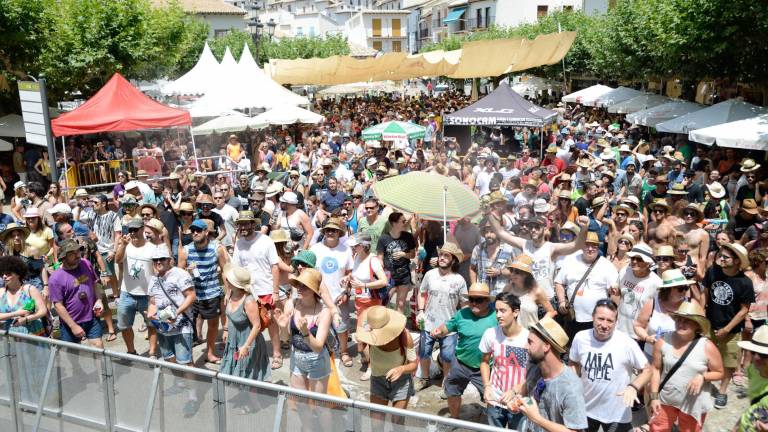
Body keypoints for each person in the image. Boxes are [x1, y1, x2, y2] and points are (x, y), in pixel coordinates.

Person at [569, 300, 651, 432]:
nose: (604, 325)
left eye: (610, 321)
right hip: (586, 409)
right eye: (600, 319)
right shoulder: (580, 338)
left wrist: (633, 387)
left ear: (616, 322)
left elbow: (647, 370)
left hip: (617, 414)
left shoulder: (626, 343)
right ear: (592, 317)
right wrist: (573, 385)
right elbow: (574, 362)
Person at [648, 302, 724, 432]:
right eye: (679, 319)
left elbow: (719, 372)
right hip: (666, 398)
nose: (681, 324)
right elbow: (655, 369)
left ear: (697, 325)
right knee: (657, 429)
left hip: (693, 403)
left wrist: (703, 376)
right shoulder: (663, 341)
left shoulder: (707, 346)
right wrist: (654, 397)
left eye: (687, 321)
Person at [506, 316, 588, 432]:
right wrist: (519, 402)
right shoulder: (533, 366)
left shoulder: (571, 387)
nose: (525, 347)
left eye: (530, 342)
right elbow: (528, 394)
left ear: (546, 346)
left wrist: (537, 419)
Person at [273, 268, 333, 426]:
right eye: (298, 284)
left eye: (304, 286)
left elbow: (319, 347)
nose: (299, 288)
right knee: (300, 402)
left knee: (320, 405)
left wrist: (306, 333)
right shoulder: (291, 304)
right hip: (296, 356)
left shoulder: (324, 312)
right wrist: (283, 327)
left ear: (314, 290)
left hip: (317, 359)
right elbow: (286, 339)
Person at [431, 282, 498, 418]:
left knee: (492, 398)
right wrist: (440, 330)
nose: (473, 303)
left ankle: (494, 424)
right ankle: (455, 421)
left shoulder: (496, 317)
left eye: (478, 300)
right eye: (471, 299)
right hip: (460, 363)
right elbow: (448, 326)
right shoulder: (462, 314)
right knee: (452, 391)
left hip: (485, 367)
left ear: (487, 301)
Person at [146, 245, 198, 415]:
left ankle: (193, 397)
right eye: (156, 260)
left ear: (170, 260)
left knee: (186, 362)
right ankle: (180, 384)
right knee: (170, 359)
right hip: (163, 327)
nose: (159, 263)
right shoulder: (154, 278)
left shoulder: (180, 274)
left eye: (162, 259)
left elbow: (191, 296)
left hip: (182, 325)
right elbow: (153, 301)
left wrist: (177, 312)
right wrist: (151, 314)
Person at [703, 242, 755, 409]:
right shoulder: (713, 271)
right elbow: (706, 293)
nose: (721, 259)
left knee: (729, 363)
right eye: (720, 255)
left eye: (726, 257)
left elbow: (744, 310)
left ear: (737, 261)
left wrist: (726, 329)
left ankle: (722, 391)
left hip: (731, 331)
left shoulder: (745, 282)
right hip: (710, 324)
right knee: (704, 358)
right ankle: (704, 384)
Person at [231, 210, 283, 369]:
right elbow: (236, 268)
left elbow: (275, 266)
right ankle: (251, 352)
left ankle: (277, 354)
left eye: (246, 223)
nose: (243, 227)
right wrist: (232, 292)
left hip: (266, 289)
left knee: (271, 322)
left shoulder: (266, 241)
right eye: (240, 224)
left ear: (253, 224)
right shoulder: (239, 243)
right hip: (246, 291)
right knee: (251, 324)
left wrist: (275, 291)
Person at [415, 242, 467, 392]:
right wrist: (420, 311)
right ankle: (424, 378)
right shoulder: (430, 274)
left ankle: (446, 382)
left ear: (454, 260)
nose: (442, 258)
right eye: (441, 255)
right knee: (424, 352)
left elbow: (464, 305)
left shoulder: (459, 280)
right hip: (428, 322)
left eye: (446, 256)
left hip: (449, 325)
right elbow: (422, 293)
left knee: (447, 356)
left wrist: (462, 325)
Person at [178, 219, 230, 363]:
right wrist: (187, 273)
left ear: (206, 232)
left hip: (212, 293)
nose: (195, 233)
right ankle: (187, 358)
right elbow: (178, 273)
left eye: (198, 230)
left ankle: (210, 353)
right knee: (187, 327)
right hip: (192, 296)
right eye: (193, 230)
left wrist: (228, 292)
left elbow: (225, 270)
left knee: (213, 325)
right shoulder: (186, 250)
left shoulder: (216, 248)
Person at [356, 306, 417, 425]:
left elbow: (414, 365)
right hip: (378, 380)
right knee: (375, 423)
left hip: (401, 382)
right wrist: (363, 334)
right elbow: (360, 348)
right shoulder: (369, 333)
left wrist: (402, 369)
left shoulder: (404, 336)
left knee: (397, 422)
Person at [555, 231, 619, 340]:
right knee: (571, 348)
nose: (590, 249)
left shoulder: (607, 266)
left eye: (594, 246)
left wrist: (611, 315)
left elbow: (615, 293)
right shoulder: (571, 260)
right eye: (587, 245)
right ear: (581, 246)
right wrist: (561, 301)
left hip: (595, 320)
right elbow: (559, 282)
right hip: (572, 317)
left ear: (598, 247)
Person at [480, 292, 529, 430]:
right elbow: (484, 361)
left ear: (515, 312)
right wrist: (487, 386)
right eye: (496, 311)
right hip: (495, 400)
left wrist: (515, 390)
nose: (498, 315)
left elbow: (534, 374)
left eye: (503, 311)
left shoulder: (528, 338)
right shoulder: (490, 334)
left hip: (519, 402)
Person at [310, 216, 354, 366]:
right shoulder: (315, 249)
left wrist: (347, 293)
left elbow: (349, 273)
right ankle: (318, 350)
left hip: (338, 296)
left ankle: (344, 352)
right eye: (328, 230)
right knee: (317, 326)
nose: (330, 233)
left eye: (334, 230)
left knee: (341, 327)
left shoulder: (346, 250)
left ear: (339, 233)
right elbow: (309, 272)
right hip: (318, 296)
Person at [219, 265, 271, 389]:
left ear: (235, 284)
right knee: (236, 372)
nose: (225, 280)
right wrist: (226, 329)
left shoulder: (248, 301)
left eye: (228, 279)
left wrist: (246, 346)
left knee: (248, 373)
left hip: (247, 341)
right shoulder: (230, 293)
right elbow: (228, 315)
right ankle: (247, 398)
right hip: (234, 339)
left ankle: (253, 403)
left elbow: (257, 326)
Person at [347, 232, 389, 380]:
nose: (353, 248)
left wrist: (364, 285)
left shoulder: (373, 260)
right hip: (359, 303)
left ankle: (372, 367)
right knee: (361, 341)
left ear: (363, 246)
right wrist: (347, 278)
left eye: (355, 246)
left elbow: (384, 281)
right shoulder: (357, 257)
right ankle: (370, 360)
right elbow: (356, 275)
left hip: (372, 304)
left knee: (367, 337)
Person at [48, 239, 104, 347]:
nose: (77, 255)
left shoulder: (86, 263)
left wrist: (99, 300)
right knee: (71, 355)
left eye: (78, 251)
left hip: (91, 318)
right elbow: (58, 306)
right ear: (63, 257)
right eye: (72, 253)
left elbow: (94, 284)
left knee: (98, 347)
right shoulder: (55, 279)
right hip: (70, 322)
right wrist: (73, 326)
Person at [114, 217, 157, 357]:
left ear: (142, 229)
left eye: (135, 230)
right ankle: (131, 351)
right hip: (127, 293)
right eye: (129, 230)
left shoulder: (152, 247)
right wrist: (122, 246)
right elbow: (118, 260)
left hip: (147, 294)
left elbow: (158, 270)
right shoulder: (126, 245)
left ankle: (152, 352)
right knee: (124, 326)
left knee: (152, 325)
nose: (132, 233)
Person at [615, 244, 662, 342]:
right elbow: (619, 293)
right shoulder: (625, 271)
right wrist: (615, 290)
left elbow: (658, 311)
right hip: (619, 330)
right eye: (633, 258)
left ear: (648, 263)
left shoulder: (656, 283)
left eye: (639, 259)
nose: (635, 261)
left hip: (638, 336)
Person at [377, 212, 417, 314]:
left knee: (400, 304)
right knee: (384, 303)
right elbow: (380, 258)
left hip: (404, 275)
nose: (406, 223)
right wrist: (381, 274)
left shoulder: (408, 236)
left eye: (406, 221)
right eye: (403, 221)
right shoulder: (383, 238)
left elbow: (413, 255)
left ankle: (399, 328)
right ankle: (383, 326)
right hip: (389, 277)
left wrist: (404, 254)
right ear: (394, 223)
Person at [504, 254, 556, 329]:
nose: (512, 274)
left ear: (526, 275)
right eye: (512, 270)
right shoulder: (507, 288)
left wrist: (539, 326)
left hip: (530, 336)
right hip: (509, 334)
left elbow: (551, 312)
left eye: (517, 272)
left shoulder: (537, 291)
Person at [0, 255, 48, 335]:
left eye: (8, 274)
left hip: (31, 335)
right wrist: (18, 313)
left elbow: (43, 311)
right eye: (2, 274)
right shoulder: (1, 292)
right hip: (8, 337)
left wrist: (26, 319)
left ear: (18, 274)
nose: (4, 276)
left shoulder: (30, 289)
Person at [735, 325, 768, 432]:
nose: (756, 358)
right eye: (753, 352)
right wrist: (736, 426)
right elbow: (755, 405)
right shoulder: (753, 370)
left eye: (764, 354)